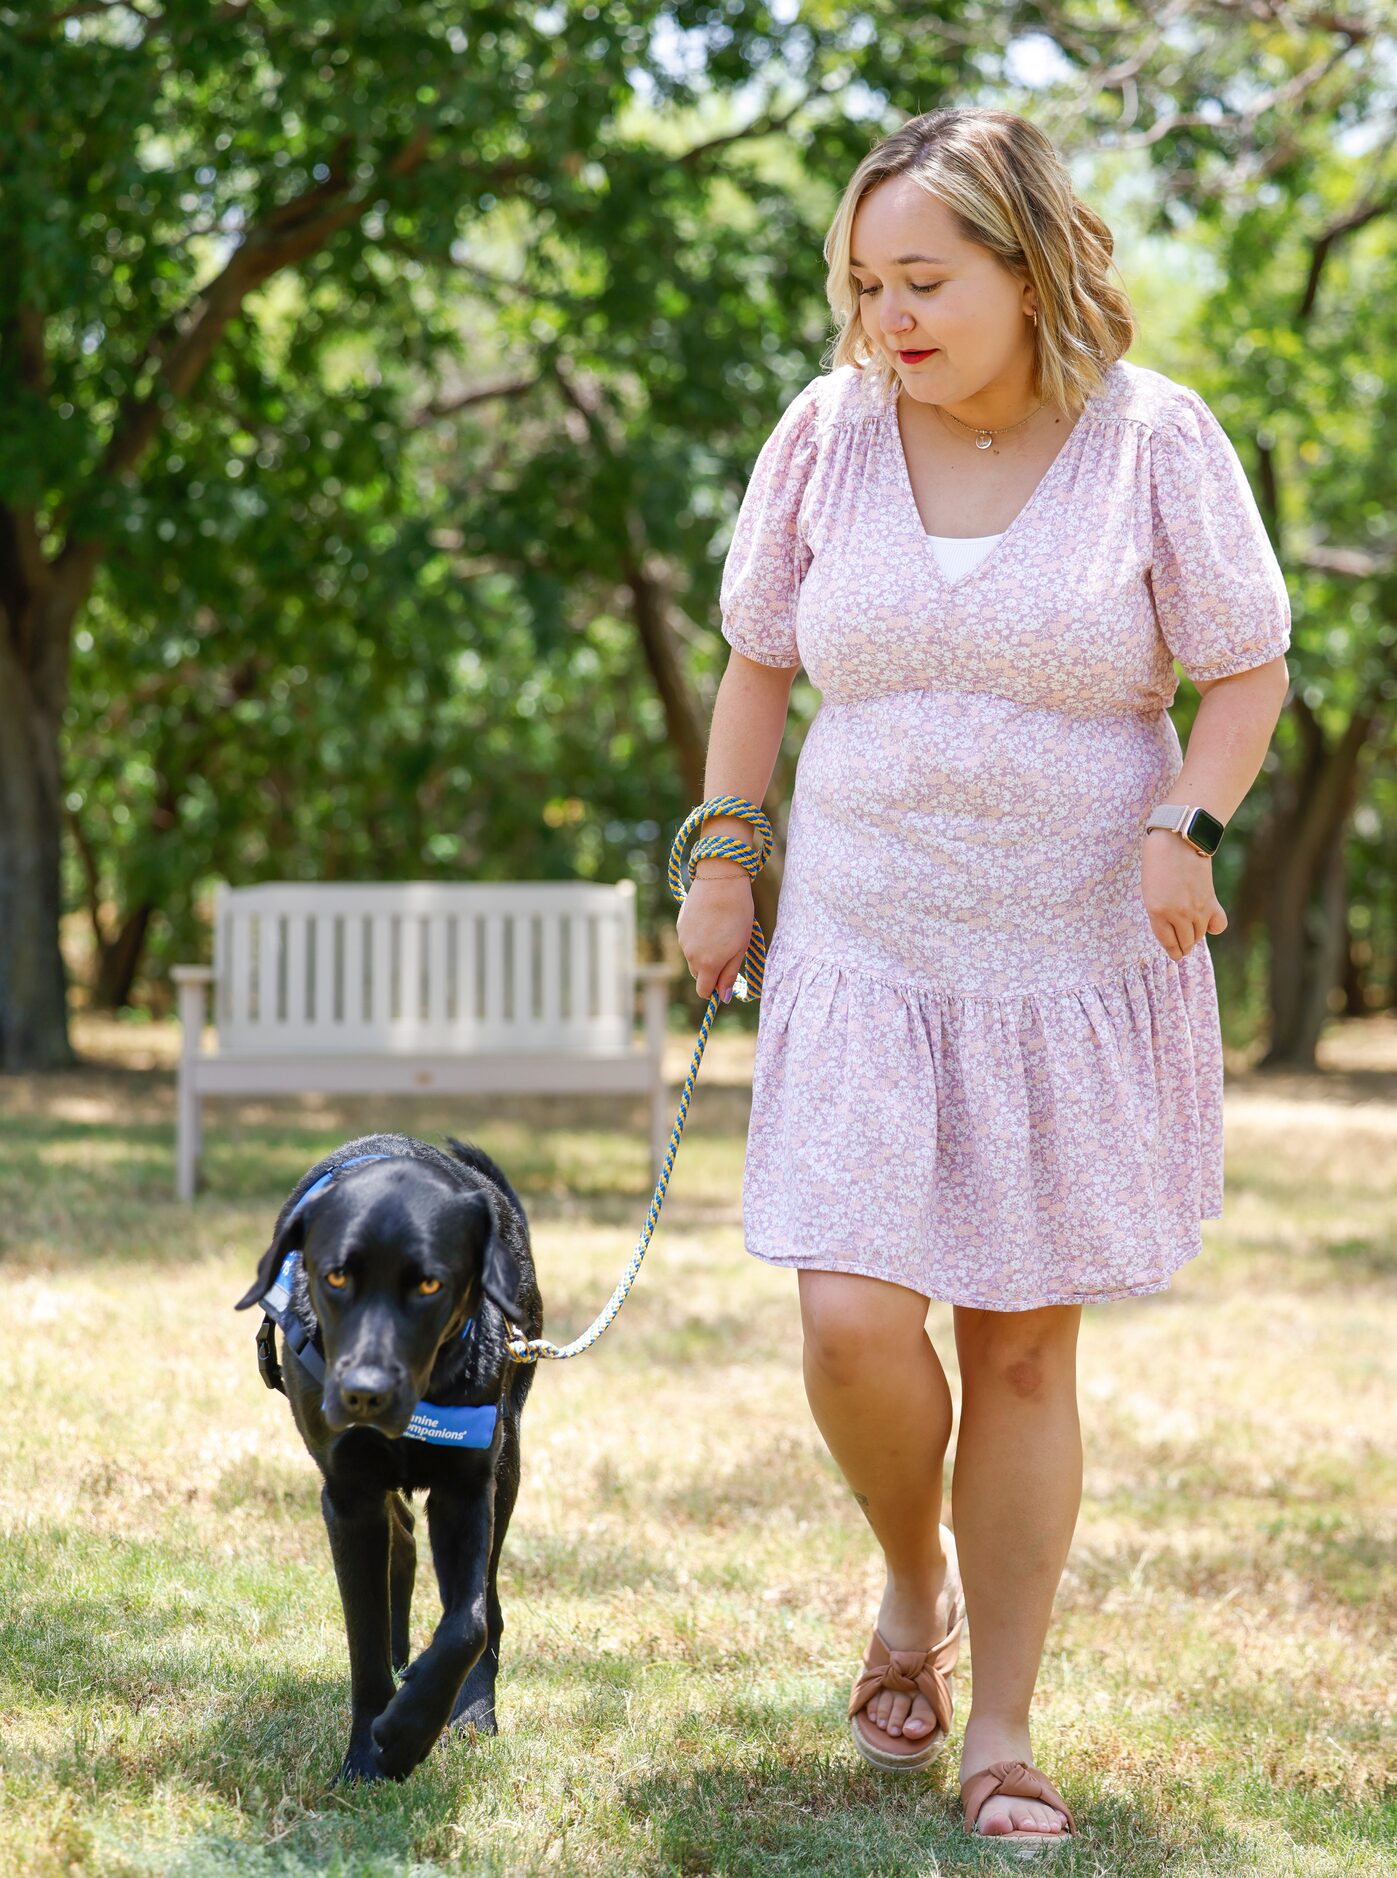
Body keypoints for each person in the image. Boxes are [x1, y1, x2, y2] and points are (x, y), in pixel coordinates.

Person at [676, 105, 1291, 1852]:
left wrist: (1191, 819)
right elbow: (755, 666)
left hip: (1071, 952)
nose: (891, 317)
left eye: (926, 279)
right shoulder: (828, 436)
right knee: (853, 1320)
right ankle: (907, 1571)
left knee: (1023, 1352)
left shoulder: (1154, 440)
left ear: (1027, 268)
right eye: (868, 283)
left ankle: (1001, 1726)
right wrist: (724, 855)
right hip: (868, 941)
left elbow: (1242, 672)